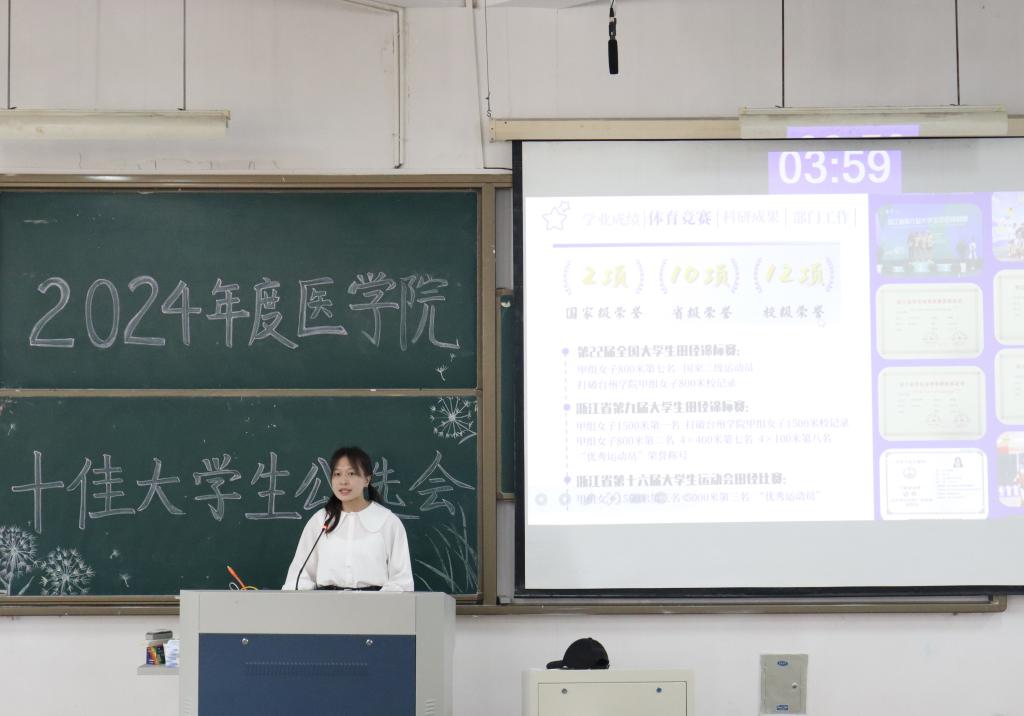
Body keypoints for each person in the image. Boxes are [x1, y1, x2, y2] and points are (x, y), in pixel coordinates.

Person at [282, 446, 414, 591]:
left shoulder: (388, 522)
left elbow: (401, 581)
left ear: (367, 479)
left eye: (351, 473)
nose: (343, 481)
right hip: (325, 602)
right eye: (337, 474)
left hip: (375, 602)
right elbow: (299, 576)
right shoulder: (320, 521)